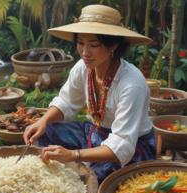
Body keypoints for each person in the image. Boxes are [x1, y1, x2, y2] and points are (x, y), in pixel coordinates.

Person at [23, 4, 156, 183]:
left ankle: (84, 163)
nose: (85, 52)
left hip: (132, 146)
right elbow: (66, 101)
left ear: (114, 45)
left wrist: (73, 154)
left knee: (88, 178)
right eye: (80, 43)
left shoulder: (132, 84)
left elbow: (122, 145)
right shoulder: (83, 68)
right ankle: (79, 157)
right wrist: (43, 120)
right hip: (95, 132)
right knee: (47, 131)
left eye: (94, 44)